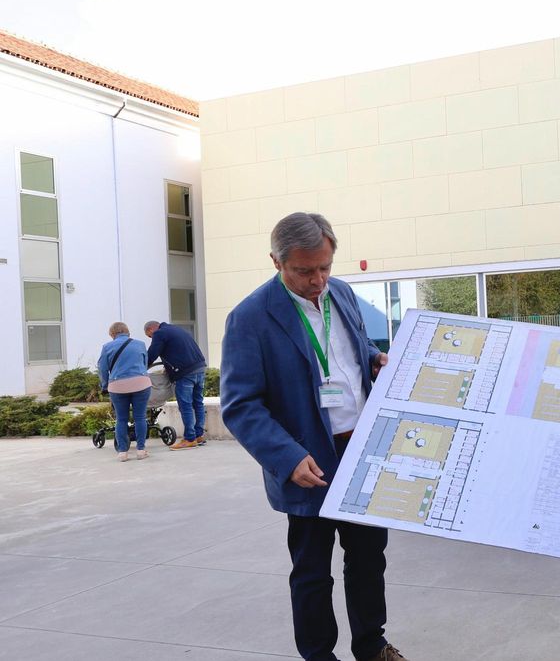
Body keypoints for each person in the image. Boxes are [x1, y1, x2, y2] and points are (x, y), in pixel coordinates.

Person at [221, 212, 406, 661]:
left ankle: (372, 645)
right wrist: (286, 456)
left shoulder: (340, 293)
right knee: (311, 571)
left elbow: (351, 352)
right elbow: (240, 404)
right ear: (276, 262)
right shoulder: (250, 317)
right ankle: (319, 655)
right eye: (304, 271)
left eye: (324, 267)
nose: (317, 280)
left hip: (361, 449)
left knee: (367, 561)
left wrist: (375, 359)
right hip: (308, 461)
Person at [144, 319, 208, 450]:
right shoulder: (177, 329)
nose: (151, 338)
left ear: (151, 330)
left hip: (184, 372)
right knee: (198, 403)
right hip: (200, 368)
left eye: (149, 336)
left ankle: (189, 439)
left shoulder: (159, 333)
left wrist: (140, 367)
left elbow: (151, 354)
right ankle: (199, 435)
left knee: (186, 406)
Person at [98, 322, 153, 462]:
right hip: (141, 384)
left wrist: (105, 386)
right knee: (140, 417)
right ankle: (141, 450)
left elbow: (102, 370)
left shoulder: (106, 347)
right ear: (128, 332)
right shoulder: (140, 344)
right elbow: (145, 364)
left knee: (121, 419)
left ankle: (122, 452)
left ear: (112, 334)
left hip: (117, 386)